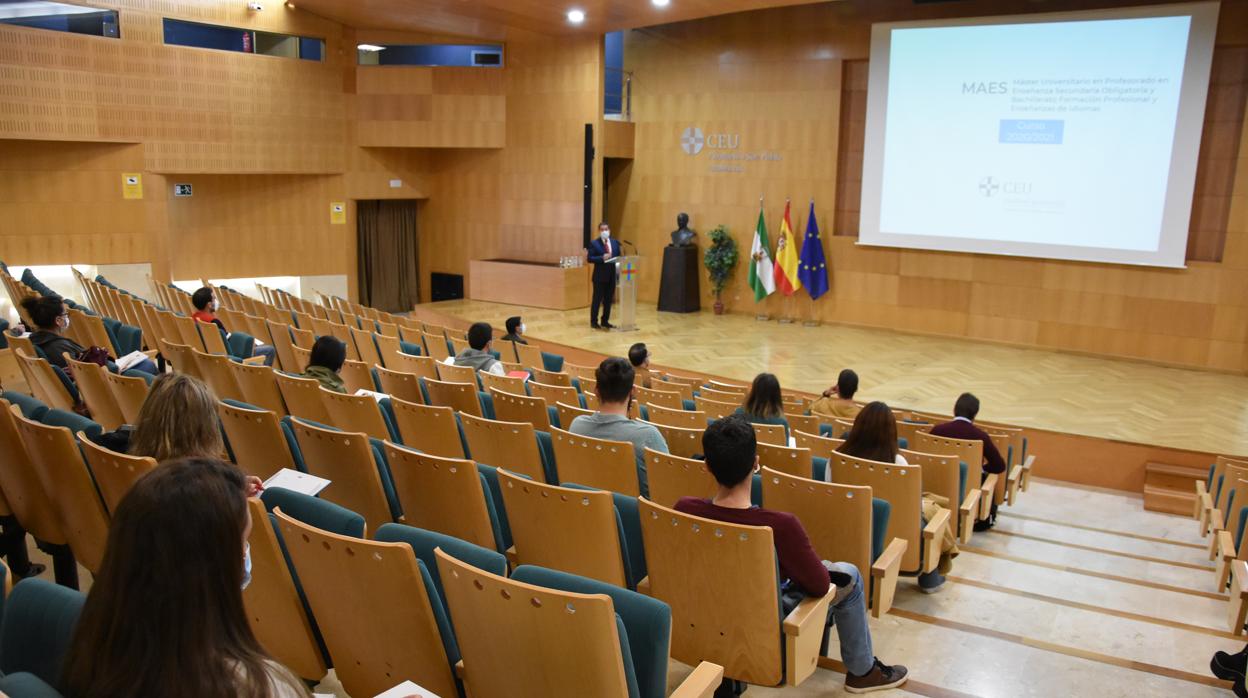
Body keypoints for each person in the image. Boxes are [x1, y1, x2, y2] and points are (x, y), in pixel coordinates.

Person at [676, 416, 908, 695]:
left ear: (707, 466)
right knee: (849, 575)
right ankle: (863, 673)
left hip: (703, 621)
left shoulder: (684, 510)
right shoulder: (780, 526)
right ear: (756, 463)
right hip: (764, 636)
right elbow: (821, 586)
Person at [61, 457, 308, 698]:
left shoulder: (93, 639)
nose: (245, 555)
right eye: (243, 544)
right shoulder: (254, 685)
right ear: (209, 570)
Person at [835, 401, 958, 593]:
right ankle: (930, 579)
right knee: (932, 518)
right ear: (892, 432)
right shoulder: (898, 462)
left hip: (847, 531)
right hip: (892, 534)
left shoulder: (836, 457)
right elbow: (912, 511)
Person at [93, 372, 264, 497]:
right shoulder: (197, 489)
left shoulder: (118, 447)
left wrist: (230, 484)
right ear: (205, 429)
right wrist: (228, 489)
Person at [568, 357, 668, 497]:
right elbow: (667, 489)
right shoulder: (648, 436)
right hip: (635, 516)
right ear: (633, 391)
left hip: (585, 509)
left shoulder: (576, 426)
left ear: (596, 391)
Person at [21, 295, 157, 374]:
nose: (67, 318)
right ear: (58, 320)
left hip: (99, 375)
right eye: (65, 315)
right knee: (147, 364)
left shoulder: (36, 340)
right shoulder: (59, 347)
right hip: (102, 382)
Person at [931, 392, 1006, 531]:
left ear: (955, 409)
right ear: (975, 414)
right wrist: (981, 469)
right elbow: (999, 466)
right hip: (970, 487)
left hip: (937, 482)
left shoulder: (937, 430)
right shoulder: (980, 436)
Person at [191, 287, 276, 366]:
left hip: (214, 354)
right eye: (214, 298)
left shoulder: (194, 318)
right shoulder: (213, 322)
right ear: (209, 305)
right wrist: (249, 346)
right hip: (232, 355)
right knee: (269, 350)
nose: (216, 301)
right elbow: (227, 341)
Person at [587, 221, 622, 330]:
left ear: (609, 230)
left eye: (606, 229)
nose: (604, 231)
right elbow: (589, 258)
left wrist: (618, 277)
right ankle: (594, 322)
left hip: (612, 277)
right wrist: (602, 257)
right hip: (600, 277)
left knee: (608, 300)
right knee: (597, 300)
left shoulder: (615, 242)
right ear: (599, 231)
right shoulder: (594, 243)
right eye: (602, 230)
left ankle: (605, 321)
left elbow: (619, 259)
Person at [734, 372, 791, 439]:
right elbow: (784, 447)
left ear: (753, 392)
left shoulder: (738, 413)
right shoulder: (781, 423)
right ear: (777, 396)